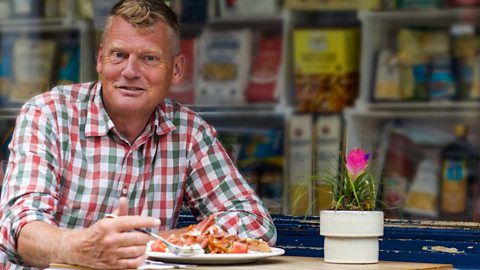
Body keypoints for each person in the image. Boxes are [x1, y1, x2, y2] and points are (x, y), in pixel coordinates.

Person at [0, 0, 277, 269]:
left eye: (149, 58)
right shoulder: (49, 114)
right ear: (100, 59)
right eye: (119, 55)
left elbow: (255, 223)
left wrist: (150, 243)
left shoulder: (189, 131)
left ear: (177, 69)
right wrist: (81, 248)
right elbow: (18, 227)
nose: (130, 71)